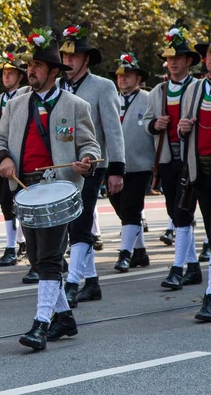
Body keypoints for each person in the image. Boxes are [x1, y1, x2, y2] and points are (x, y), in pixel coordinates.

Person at [0, 28, 100, 350]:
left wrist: (87, 160)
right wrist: (3, 158)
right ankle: (64, 319)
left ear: (53, 71)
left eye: (37, 66)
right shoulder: (15, 104)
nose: (30, 71)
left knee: (49, 259)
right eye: (29, 66)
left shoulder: (76, 105)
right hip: (25, 189)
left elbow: (89, 145)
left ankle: (40, 324)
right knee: (37, 258)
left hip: (59, 189)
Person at [58, 22, 125, 307]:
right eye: (64, 56)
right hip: (62, 167)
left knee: (80, 224)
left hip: (92, 165)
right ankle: (93, 282)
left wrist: (117, 169)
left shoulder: (103, 86)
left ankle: (72, 283)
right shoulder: (58, 86)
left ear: (86, 59)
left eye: (74, 56)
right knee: (69, 223)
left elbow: (113, 130)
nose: (68, 60)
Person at [143, 19, 202, 291]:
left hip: (192, 160)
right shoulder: (158, 91)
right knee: (174, 210)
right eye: (169, 58)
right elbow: (145, 122)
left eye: (178, 57)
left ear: (189, 61)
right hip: (167, 160)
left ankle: (177, 269)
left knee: (182, 212)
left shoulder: (199, 88)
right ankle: (192, 267)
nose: (173, 62)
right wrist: (156, 124)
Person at [107, 53, 155, 273]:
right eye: (120, 76)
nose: (123, 79)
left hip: (140, 163)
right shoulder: (111, 99)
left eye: (128, 75)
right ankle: (140, 251)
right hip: (115, 163)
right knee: (119, 206)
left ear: (138, 78)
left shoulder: (148, 98)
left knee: (131, 208)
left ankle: (125, 254)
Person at [0, 44, 30, 269]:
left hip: (19, 157)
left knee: (20, 201)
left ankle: (22, 244)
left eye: (10, 73)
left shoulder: (26, 95)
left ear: (20, 77)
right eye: (4, 74)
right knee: (5, 202)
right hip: (0, 157)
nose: (6, 77)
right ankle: (11, 245)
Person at [180, 39, 211, 321]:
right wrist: (182, 127)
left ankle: (210, 296)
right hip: (200, 172)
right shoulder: (196, 89)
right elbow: (183, 128)